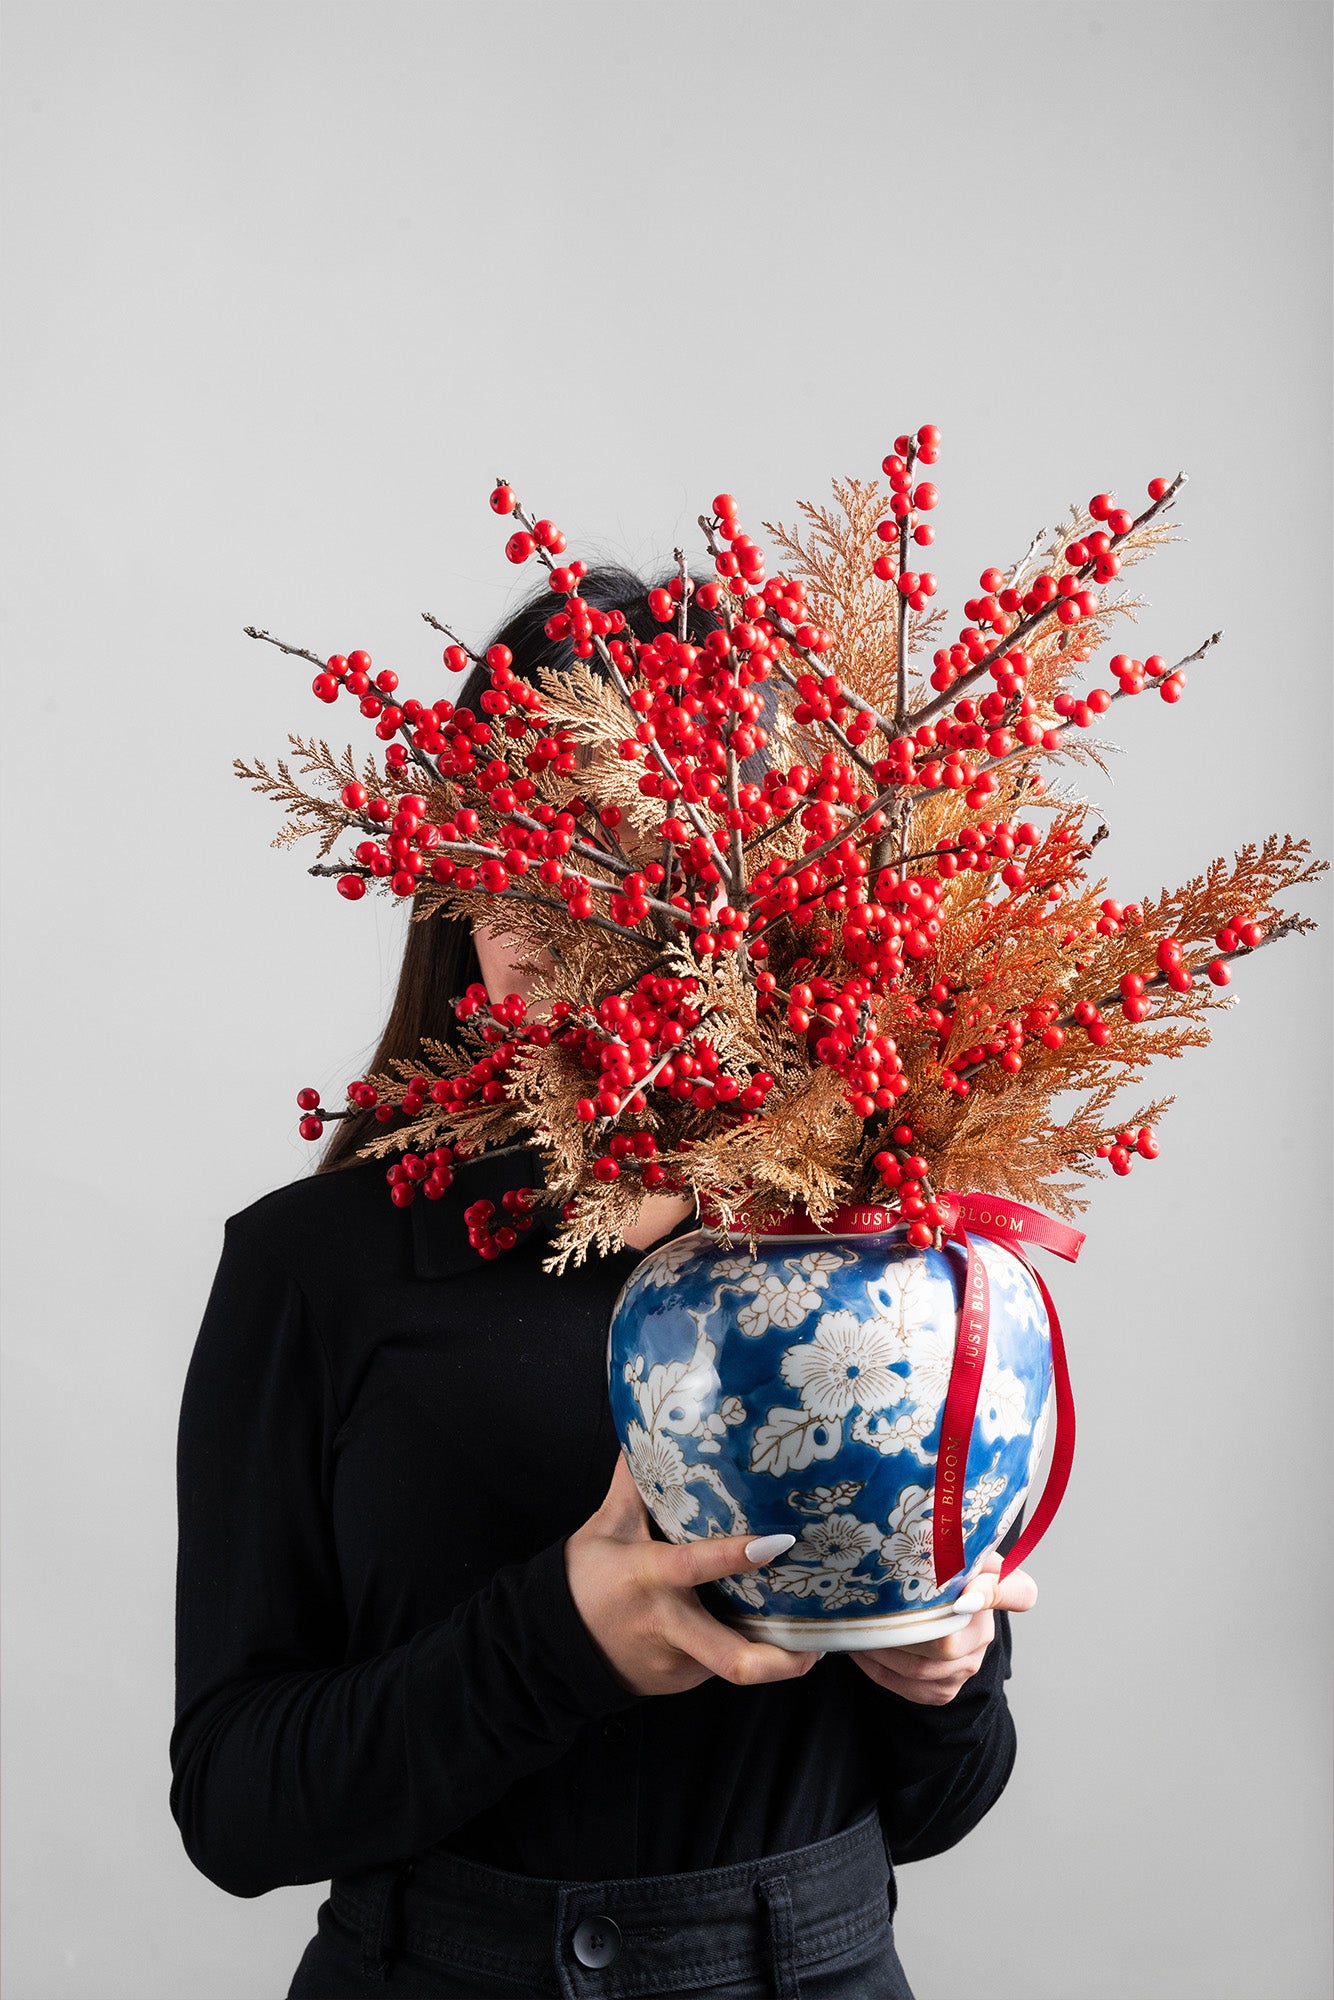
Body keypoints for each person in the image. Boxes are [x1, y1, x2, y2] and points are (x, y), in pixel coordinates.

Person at [169, 567, 1038, 1999]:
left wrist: (941, 1678)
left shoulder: (869, 1259)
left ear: (747, 887)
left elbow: (938, 1808)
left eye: (623, 846)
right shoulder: (312, 1266)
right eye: (513, 832)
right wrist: (548, 1648)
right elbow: (235, 1807)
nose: (557, 900)